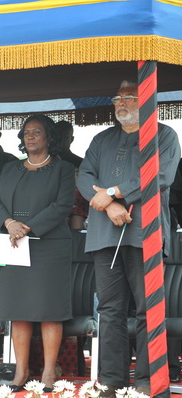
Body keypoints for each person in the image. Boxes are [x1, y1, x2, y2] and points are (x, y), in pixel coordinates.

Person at [77, 80, 180, 397]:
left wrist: (112, 193)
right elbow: (83, 176)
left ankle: (148, 379)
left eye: (129, 97)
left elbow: (160, 176)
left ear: (147, 100)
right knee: (109, 309)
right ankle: (112, 379)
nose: (121, 102)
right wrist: (109, 206)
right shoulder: (101, 138)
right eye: (117, 97)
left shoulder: (164, 135)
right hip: (103, 233)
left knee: (148, 308)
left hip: (144, 233)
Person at [0, 114, 75, 391]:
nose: (30, 137)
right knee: (18, 310)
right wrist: (10, 224)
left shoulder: (62, 169)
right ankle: (21, 370)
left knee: (50, 309)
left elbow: (63, 206)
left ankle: (49, 371)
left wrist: (28, 227)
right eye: (26, 132)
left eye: (37, 132)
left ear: (49, 137)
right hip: (13, 245)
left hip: (49, 246)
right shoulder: (9, 168)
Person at [54, 121, 88, 230]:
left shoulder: (81, 163)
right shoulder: (46, 163)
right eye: (57, 137)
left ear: (71, 139)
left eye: (65, 137)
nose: (60, 141)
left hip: (76, 208)